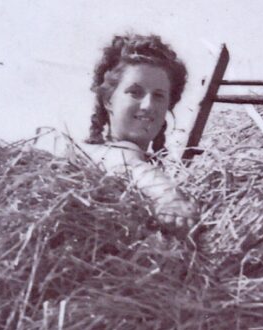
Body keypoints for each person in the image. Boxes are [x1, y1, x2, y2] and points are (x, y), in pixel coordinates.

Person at [80, 32, 197, 231]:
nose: (148, 105)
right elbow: (132, 167)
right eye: (135, 92)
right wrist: (170, 198)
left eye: (159, 96)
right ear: (108, 100)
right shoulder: (116, 152)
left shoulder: (100, 153)